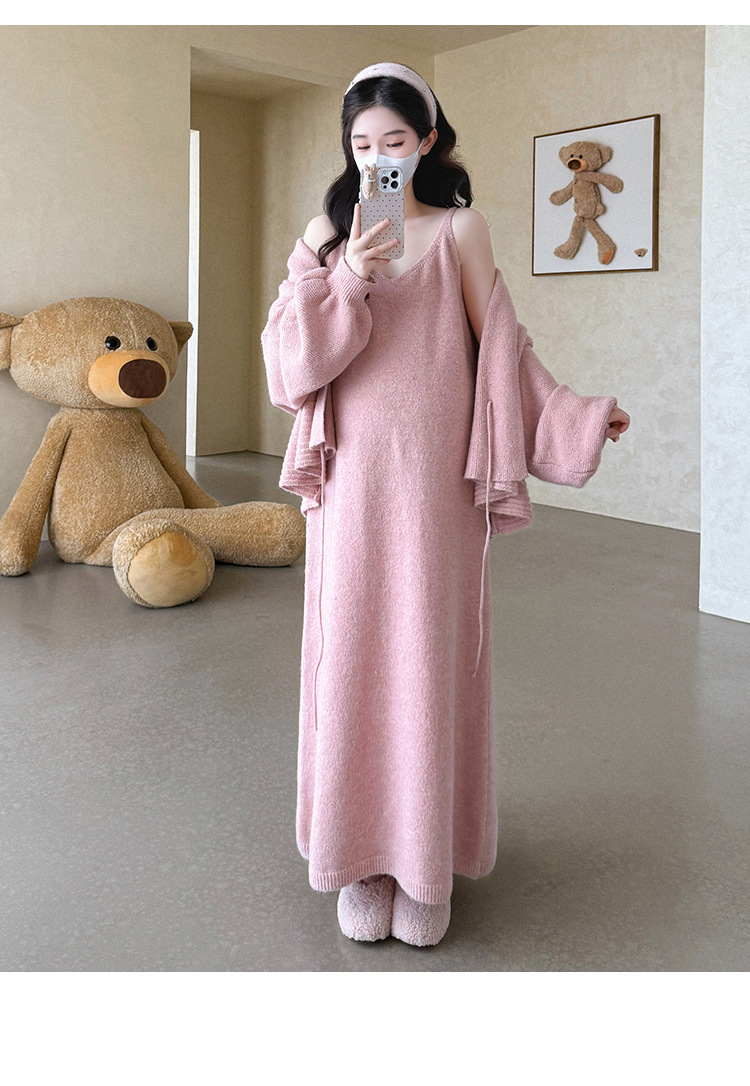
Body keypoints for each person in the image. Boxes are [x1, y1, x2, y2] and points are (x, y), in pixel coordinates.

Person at [261, 62, 630, 949]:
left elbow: (501, 347)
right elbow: (289, 368)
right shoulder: (325, 234)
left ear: (426, 141)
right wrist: (348, 275)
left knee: (426, 664)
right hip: (350, 486)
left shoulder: (463, 230)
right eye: (362, 144)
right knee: (351, 661)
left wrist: (573, 415)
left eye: (394, 140)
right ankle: (358, 860)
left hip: (436, 492)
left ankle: (423, 866)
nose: (378, 157)